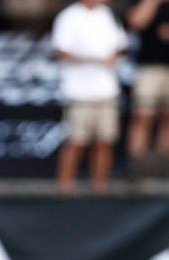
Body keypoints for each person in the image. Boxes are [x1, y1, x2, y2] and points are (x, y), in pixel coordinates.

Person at [51, 0, 128, 196]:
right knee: (76, 142)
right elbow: (61, 51)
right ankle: (64, 192)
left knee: (105, 142)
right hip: (78, 92)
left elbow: (121, 47)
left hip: (107, 91)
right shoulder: (68, 16)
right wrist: (92, 59)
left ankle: (99, 191)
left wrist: (113, 58)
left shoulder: (109, 14)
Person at [126, 0, 169, 178]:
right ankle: (136, 167)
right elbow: (136, 22)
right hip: (148, 69)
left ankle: (165, 166)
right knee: (143, 116)